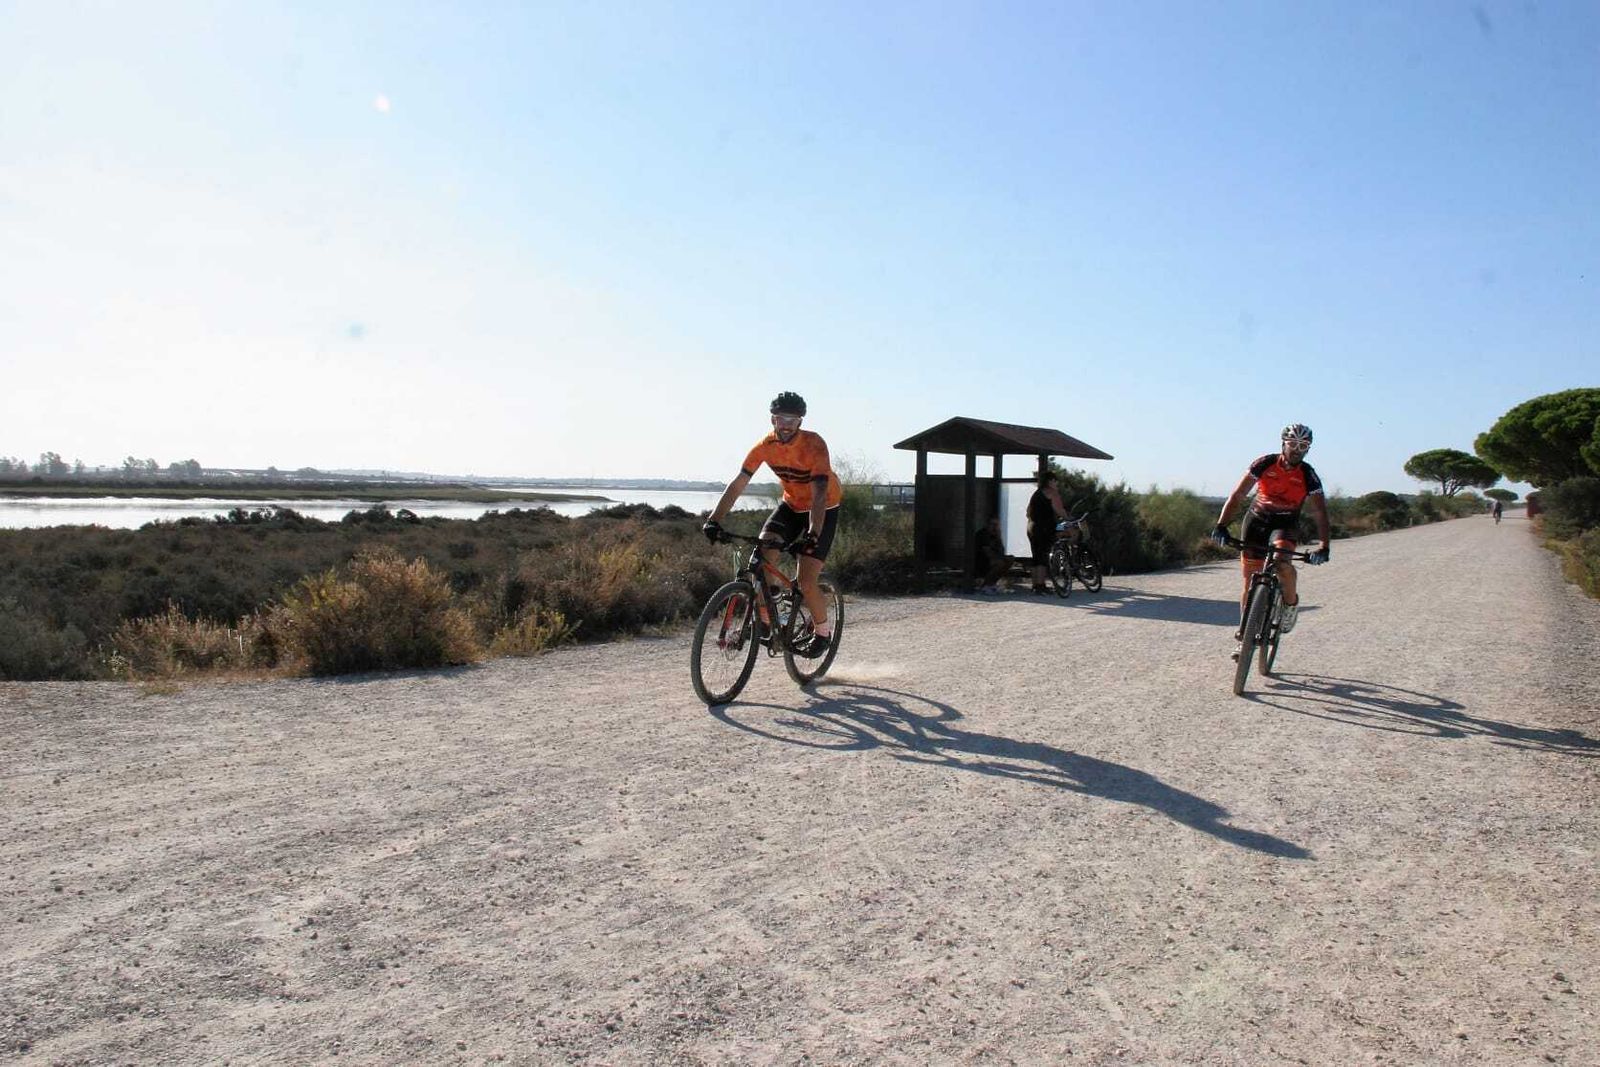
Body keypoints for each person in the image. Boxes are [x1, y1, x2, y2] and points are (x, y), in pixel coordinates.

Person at [702, 392, 842, 657]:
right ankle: (766, 618)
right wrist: (714, 520)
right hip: (790, 506)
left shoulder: (813, 444)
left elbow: (820, 493)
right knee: (764, 555)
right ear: (773, 419)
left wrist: (813, 533)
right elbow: (739, 482)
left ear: (800, 421)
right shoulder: (765, 446)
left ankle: (822, 633)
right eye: (781, 418)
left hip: (823, 508)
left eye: (793, 419)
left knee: (806, 580)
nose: (787, 424)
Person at [1208, 424, 1331, 651]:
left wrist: (1324, 546)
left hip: (1285, 524)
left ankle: (1290, 605)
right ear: (1283, 443)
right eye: (1292, 444)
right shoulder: (1264, 463)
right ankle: (1245, 636)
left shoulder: (1308, 475)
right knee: (1250, 579)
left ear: (1308, 449)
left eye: (1303, 446)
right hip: (1257, 519)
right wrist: (1221, 525)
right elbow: (1238, 494)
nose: (1297, 450)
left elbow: (1319, 512)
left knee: (1283, 564)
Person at [1026, 471, 1066, 594]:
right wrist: (1069, 518)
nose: (1056, 483)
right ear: (1050, 481)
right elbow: (1060, 510)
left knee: (1036, 556)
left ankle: (1035, 585)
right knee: (1043, 556)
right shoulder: (1051, 493)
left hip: (1031, 526)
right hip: (1044, 528)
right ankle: (1041, 585)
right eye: (1055, 480)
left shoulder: (1036, 493)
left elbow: (1028, 512)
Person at [974, 515, 1008, 594]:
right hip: (980, 562)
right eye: (992, 524)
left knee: (1009, 559)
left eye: (996, 525)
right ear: (987, 525)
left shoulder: (995, 535)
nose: (994, 527)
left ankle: (991, 583)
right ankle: (985, 585)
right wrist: (997, 559)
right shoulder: (982, 534)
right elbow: (987, 552)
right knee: (999, 563)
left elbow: (1002, 551)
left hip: (990, 561)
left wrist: (999, 538)